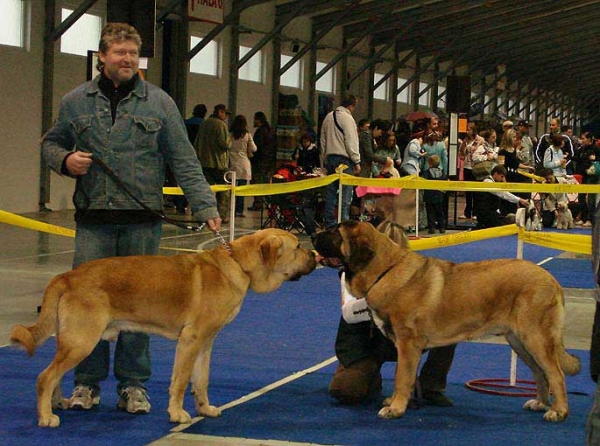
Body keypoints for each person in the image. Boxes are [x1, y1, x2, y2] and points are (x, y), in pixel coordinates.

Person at [40, 23, 220, 415]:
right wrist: (66, 161)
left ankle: (133, 386)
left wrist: (206, 207)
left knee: (142, 311)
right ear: (102, 56)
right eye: (119, 52)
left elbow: (183, 159)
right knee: (87, 313)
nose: (127, 59)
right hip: (94, 223)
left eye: (132, 53)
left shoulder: (160, 103)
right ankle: (86, 385)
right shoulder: (76, 102)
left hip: (142, 221)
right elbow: (51, 144)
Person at [326, 220, 457, 407]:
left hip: (405, 336)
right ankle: (369, 376)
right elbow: (349, 313)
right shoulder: (353, 271)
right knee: (347, 390)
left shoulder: (416, 272)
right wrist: (386, 300)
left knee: (449, 323)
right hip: (366, 344)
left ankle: (431, 386)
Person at [320, 94, 361, 228]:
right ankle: (343, 223)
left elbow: (323, 141)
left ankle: (329, 223)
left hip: (330, 158)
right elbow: (351, 141)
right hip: (344, 160)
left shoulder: (328, 117)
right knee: (345, 193)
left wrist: (324, 160)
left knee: (330, 194)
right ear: (352, 105)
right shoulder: (348, 118)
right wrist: (356, 160)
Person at [194, 103, 232, 222]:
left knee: (207, 190)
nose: (226, 117)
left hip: (204, 162)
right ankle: (221, 215)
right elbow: (225, 144)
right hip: (219, 163)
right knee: (223, 191)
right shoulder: (221, 125)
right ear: (220, 112)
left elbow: (196, 143)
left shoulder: (204, 123)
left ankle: (207, 214)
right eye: (225, 114)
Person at [473, 165, 529, 229]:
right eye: (501, 176)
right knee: (505, 228)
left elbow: (505, 193)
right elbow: (503, 194)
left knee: (505, 224)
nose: (502, 179)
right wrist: (519, 200)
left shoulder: (495, 182)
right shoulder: (488, 182)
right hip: (485, 214)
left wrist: (504, 182)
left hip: (492, 213)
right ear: (496, 174)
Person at [229, 114, 257, 218]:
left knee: (230, 188)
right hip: (243, 163)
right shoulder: (247, 135)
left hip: (232, 163)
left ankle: (230, 208)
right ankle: (238, 211)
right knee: (241, 189)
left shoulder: (230, 135)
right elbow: (254, 149)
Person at [248, 111, 276, 211]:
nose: (253, 121)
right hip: (268, 161)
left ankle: (258, 203)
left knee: (256, 183)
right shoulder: (270, 130)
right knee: (265, 183)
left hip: (259, 161)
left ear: (258, 120)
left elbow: (256, 147)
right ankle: (267, 203)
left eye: (255, 119)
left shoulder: (260, 132)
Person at [422, 155, 447, 234]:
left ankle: (432, 228)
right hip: (439, 195)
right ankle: (442, 227)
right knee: (440, 212)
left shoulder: (427, 172)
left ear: (430, 164)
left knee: (430, 212)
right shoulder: (442, 173)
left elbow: (423, 181)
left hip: (429, 195)